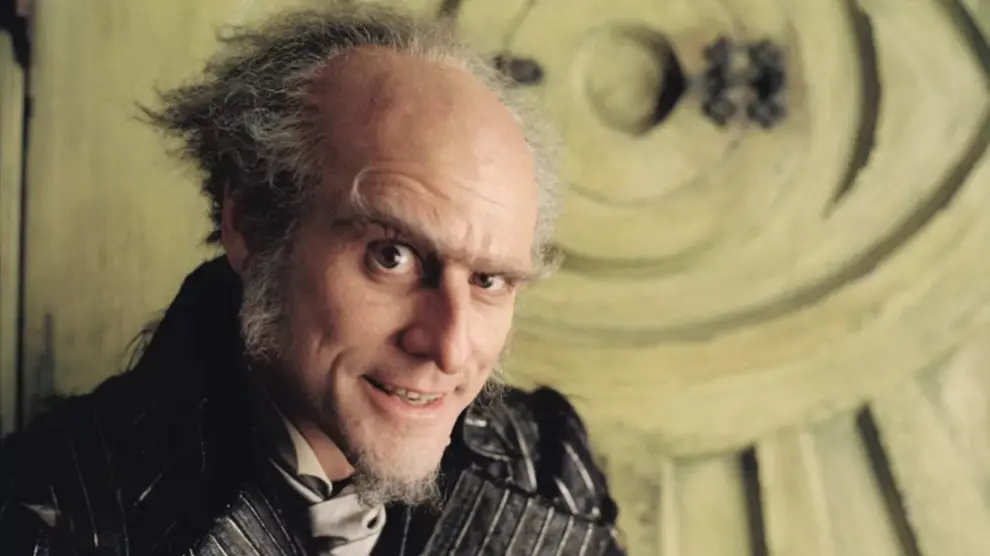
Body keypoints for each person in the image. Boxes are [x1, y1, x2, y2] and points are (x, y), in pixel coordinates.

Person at [0, 4, 624, 555]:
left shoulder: (548, 467)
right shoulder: (44, 517)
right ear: (251, 223)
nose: (450, 349)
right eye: (392, 257)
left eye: (489, 280)